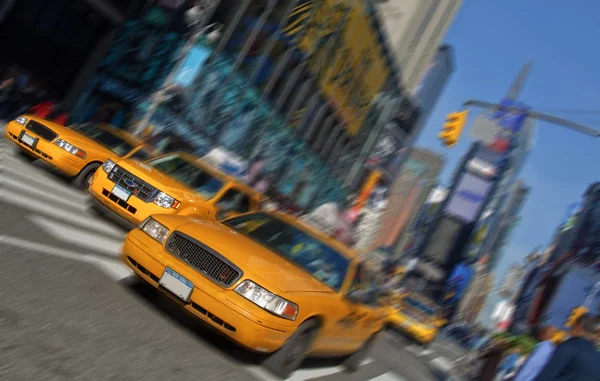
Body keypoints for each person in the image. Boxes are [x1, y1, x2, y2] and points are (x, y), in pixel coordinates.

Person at [533, 313, 600, 381]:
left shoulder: (570, 346)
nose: (570, 328)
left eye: (573, 325)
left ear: (578, 327)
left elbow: (546, 376)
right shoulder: (597, 359)